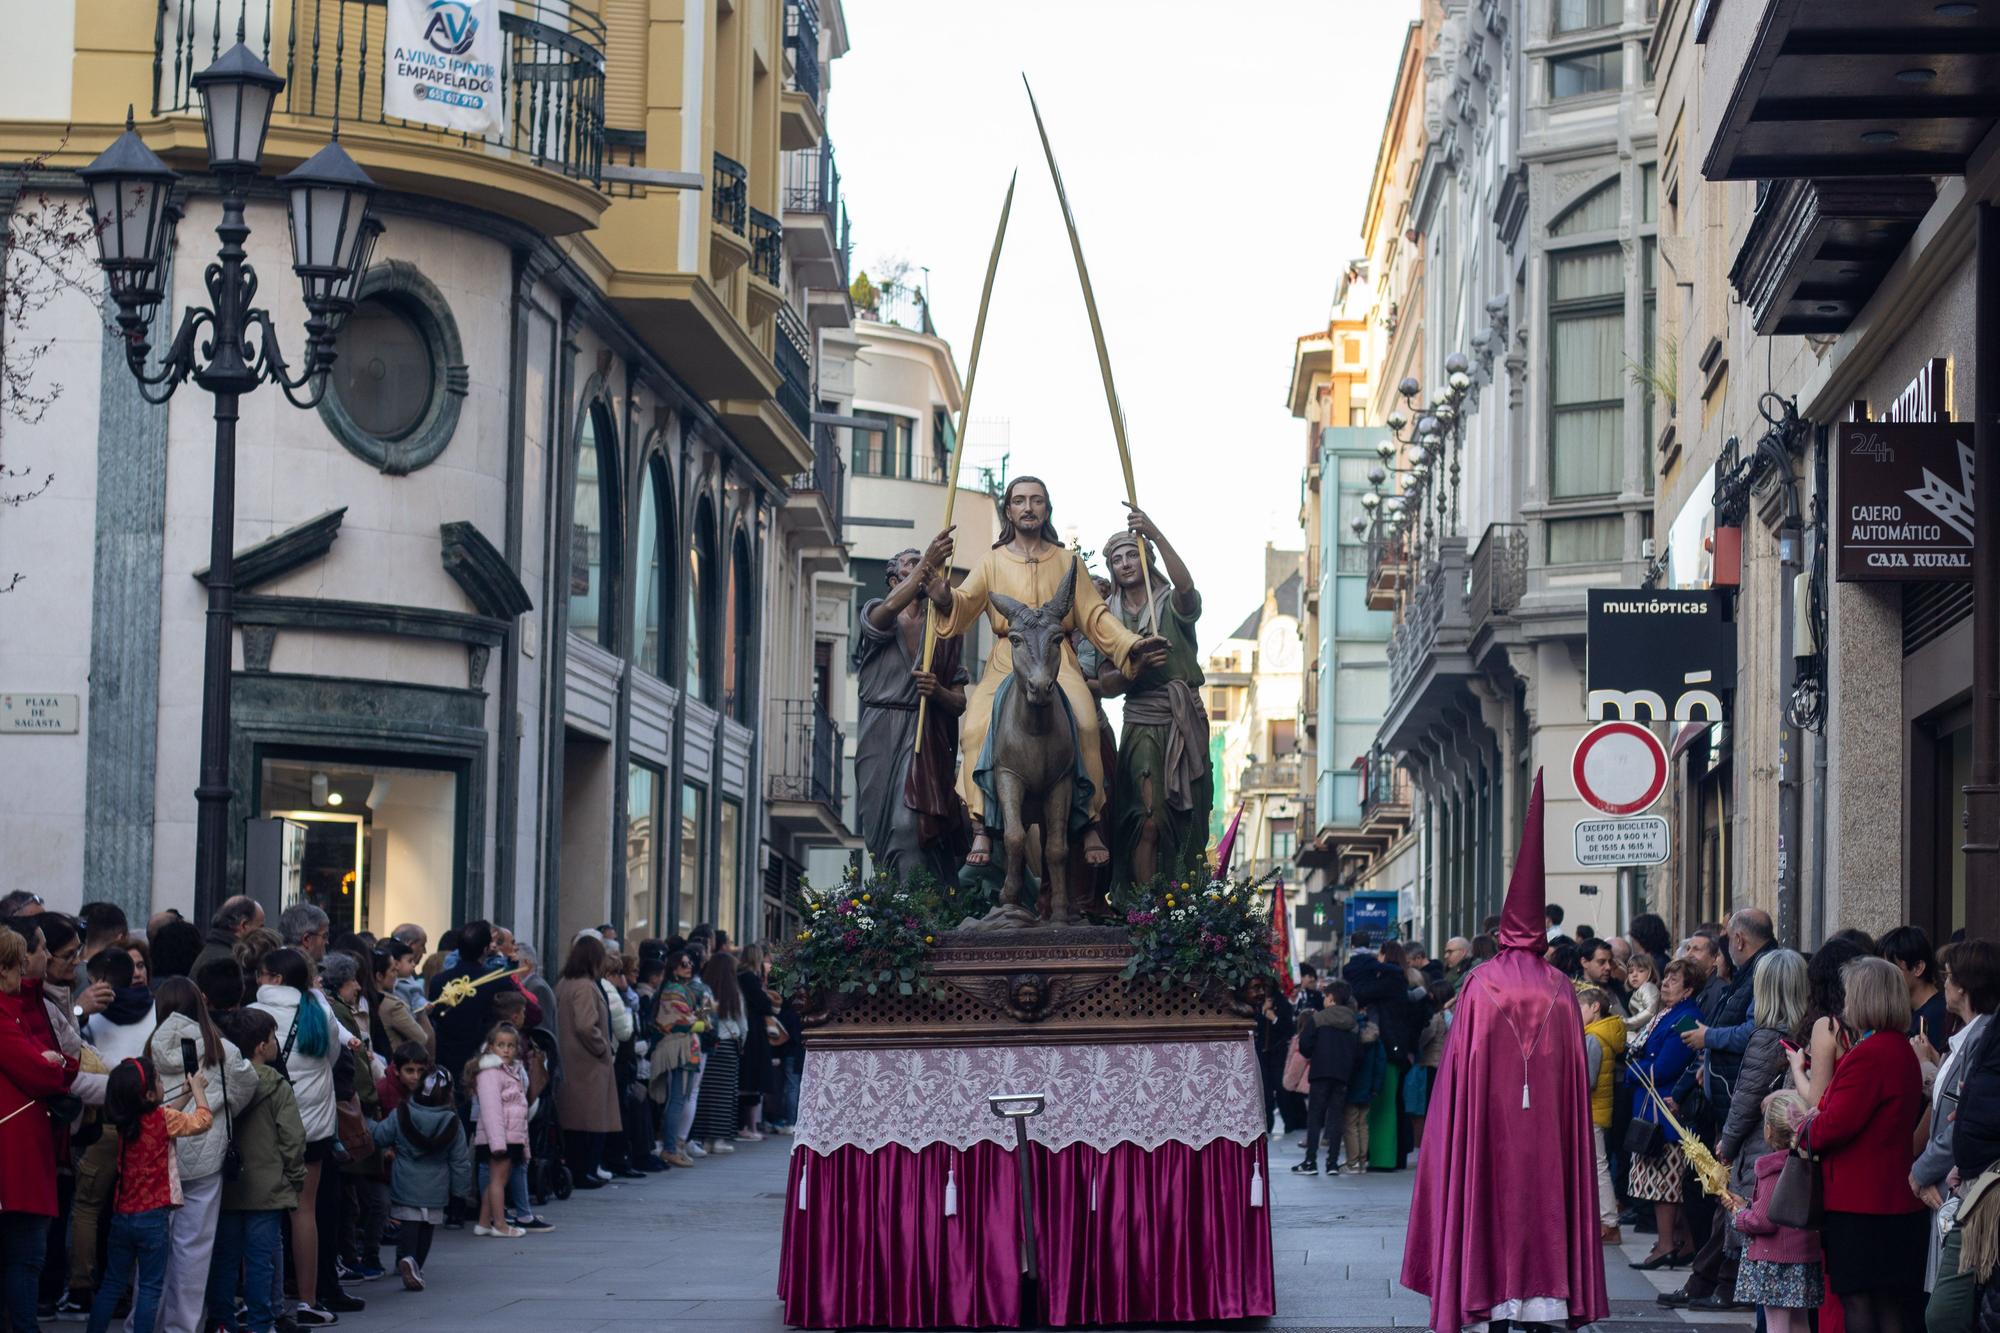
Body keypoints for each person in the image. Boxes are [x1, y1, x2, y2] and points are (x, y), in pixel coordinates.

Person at [1401, 773, 1609, 1333]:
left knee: (1487, 1193)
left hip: (1488, 1129)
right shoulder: (1563, 990)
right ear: (1539, 932)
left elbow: (1456, 1080)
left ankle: (1491, 1300)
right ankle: (1543, 1304)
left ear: (1500, 933)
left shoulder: (1477, 984)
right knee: (1543, 1198)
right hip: (1546, 1134)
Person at [922, 476, 1170, 868]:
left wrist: (1130, 645)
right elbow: (963, 605)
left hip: (1057, 659)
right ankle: (983, 824)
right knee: (975, 728)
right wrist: (943, 598)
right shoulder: (991, 562)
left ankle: (1087, 820)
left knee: (1087, 723)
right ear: (1009, 511)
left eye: (1037, 501)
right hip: (1009, 658)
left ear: (1047, 509)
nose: (1028, 507)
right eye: (1019, 501)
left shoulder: (1067, 562)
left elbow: (1094, 616)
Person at [1796, 956, 1926, 1333]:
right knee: (1887, 1303)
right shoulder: (1899, 1049)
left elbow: (1833, 1126)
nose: (1846, 1002)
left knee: (1859, 1301)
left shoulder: (1869, 1055)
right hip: (1891, 1198)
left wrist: (1804, 1128)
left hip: (1860, 1201)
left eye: (1852, 993)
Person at [1096, 514, 1211, 889]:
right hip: (1142, 716)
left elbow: (1187, 587)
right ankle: (1143, 908)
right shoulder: (1107, 614)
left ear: (1147, 559)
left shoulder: (1168, 601)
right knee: (1146, 816)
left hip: (1182, 716)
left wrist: (1156, 533)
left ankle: (1180, 903)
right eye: (1117, 559)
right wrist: (1136, 667)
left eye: (1133, 555)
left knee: (1185, 814)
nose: (1126, 564)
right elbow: (1105, 684)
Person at [852, 536, 970, 885]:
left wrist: (936, 693)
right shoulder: (879, 611)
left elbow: (960, 701)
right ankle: (891, 898)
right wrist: (926, 564)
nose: (922, 565)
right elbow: (885, 611)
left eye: (925, 562)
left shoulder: (943, 629)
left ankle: (915, 909)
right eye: (911, 562)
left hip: (922, 727)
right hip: (878, 729)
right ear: (894, 579)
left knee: (910, 825)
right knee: (878, 828)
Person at [250, 947, 358, 1327]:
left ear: (275, 979)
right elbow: (332, 1058)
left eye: (262, 974)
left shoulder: (254, 1014)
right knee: (304, 1211)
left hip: (265, 1126)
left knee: (261, 1212)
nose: (258, 980)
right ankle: (308, 1299)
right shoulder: (318, 1011)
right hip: (311, 1126)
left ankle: (260, 1298)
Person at [148, 975, 259, 1333]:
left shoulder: (146, 1048)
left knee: (152, 1253)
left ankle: (145, 1324)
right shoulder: (219, 1049)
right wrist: (219, 1106)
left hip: (158, 1160)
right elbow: (246, 1085)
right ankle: (183, 1327)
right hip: (206, 1158)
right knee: (193, 1252)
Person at [86, 1056, 214, 1333]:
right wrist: (200, 1092)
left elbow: (164, 1116)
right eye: (158, 1080)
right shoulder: (162, 1120)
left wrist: (183, 1093)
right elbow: (202, 1121)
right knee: (150, 1288)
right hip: (153, 1218)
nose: (161, 1083)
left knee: (111, 1284)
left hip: (122, 1216)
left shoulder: (126, 1120)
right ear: (147, 1094)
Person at [1714, 950, 1809, 1300]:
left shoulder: (1767, 1035)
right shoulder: (1803, 1028)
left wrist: (1726, 1142)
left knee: (1764, 1258)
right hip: (1785, 1148)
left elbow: (1746, 1098)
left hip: (1762, 1149)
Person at [1915, 940, 1998, 1333]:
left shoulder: (1983, 1038)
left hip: (1968, 1186)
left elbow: (1961, 1120)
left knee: (1950, 1311)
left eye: (1947, 977)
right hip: (1959, 1179)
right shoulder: (1971, 1035)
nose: (1943, 985)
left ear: (1963, 986)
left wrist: (1919, 1171)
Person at [0, 924, 79, 1333]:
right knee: (25, 1260)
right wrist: (56, 1064)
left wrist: (57, 1064)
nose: (45, 957)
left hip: (23, 1159)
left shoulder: (16, 1008)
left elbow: (62, 1064)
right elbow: (46, 1072)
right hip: (16, 1162)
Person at [210, 1007, 305, 1333]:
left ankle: (222, 1321)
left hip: (229, 1185)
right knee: (260, 1261)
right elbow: (292, 1136)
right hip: (268, 1187)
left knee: (225, 1260)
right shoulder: (276, 1083)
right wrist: (295, 1177)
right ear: (262, 1046)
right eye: (272, 1037)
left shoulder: (223, 1081)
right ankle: (261, 1322)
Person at [1628, 957, 1705, 1269]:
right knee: (1665, 1184)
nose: (1665, 984)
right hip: (1650, 1105)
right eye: (1666, 978)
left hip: (1667, 1111)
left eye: (1674, 981)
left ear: (1688, 989)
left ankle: (1666, 1245)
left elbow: (1665, 1066)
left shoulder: (1687, 1017)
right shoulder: (1665, 1013)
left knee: (1666, 1185)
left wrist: (1634, 1070)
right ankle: (1681, 1241)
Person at [368, 1061, 471, 1292]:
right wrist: (460, 1193)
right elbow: (460, 1161)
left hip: (405, 1182)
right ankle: (416, 1264)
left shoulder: (401, 1113)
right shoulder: (452, 1122)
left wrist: (365, 1122)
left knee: (409, 1224)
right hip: (436, 1187)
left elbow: (380, 1136)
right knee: (427, 1228)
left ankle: (406, 1259)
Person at [1730, 1090, 1824, 1333]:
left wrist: (1739, 1216)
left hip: (1775, 1260)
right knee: (1801, 1322)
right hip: (1804, 1256)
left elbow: (1763, 1221)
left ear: (1769, 1130)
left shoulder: (1772, 1169)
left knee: (1776, 1324)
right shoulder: (1808, 1163)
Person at [555, 933, 621, 1188]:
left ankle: (580, 1170)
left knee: (576, 1123)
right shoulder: (583, 985)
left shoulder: (564, 983)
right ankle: (582, 1171)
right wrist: (603, 1047)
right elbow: (585, 1025)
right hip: (586, 1063)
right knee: (587, 1121)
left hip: (572, 1060)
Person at [1292, 979, 1367, 1175]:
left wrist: (1315, 1054)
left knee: (1315, 1118)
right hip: (1342, 1075)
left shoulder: (1318, 1019)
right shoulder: (1353, 1022)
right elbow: (1359, 1054)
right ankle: (1332, 1163)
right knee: (1336, 1119)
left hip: (1320, 1073)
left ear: (1331, 998)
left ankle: (1310, 1161)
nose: (1324, 999)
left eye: (1326, 996)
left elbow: (1304, 1045)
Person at [468, 1021, 530, 1239]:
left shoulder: (508, 1071)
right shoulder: (491, 1073)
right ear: (491, 1046)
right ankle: (500, 1224)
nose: (506, 1049)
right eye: (501, 1045)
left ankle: (484, 1222)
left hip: (508, 1135)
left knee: (498, 1180)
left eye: (511, 1045)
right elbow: (491, 1109)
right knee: (498, 1181)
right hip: (499, 1138)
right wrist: (498, 1143)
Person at [1578, 986, 1628, 1243]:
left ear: (1595, 1008)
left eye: (1581, 1007)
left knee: (1598, 1166)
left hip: (1592, 1111)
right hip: (1599, 1109)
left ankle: (1608, 1222)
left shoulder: (1593, 1038)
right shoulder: (1604, 1035)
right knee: (1597, 1164)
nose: (1577, 1013)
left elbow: (1588, 1080)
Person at [692, 952, 746, 1155]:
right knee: (724, 1095)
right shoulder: (735, 993)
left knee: (706, 1093)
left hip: (709, 1044)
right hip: (728, 1046)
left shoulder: (705, 990)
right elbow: (743, 1025)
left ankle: (703, 1137)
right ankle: (719, 1139)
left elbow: (702, 1018)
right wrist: (742, 1043)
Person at [1879, 925, 1951, 1053]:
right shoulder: (1907, 1013)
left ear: (1918, 968)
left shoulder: (1938, 1014)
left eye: (1892, 970)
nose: (1885, 978)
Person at [737, 945, 777, 1143]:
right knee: (752, 1078)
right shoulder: (749, 979)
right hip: (753, 1030)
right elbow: (765, 1004)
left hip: (750, 1027)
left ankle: (749, 1126)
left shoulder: (741, 977)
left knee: (750, 1078)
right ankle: (748, 1126)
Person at [193, 897, 266, 978]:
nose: (262, 933)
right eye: (260, 927)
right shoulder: (230, 964)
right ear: (244, 925)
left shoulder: (210, 952)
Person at [1625, 953, 1662, 1037]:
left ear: (1651, 972)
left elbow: (1651, 1011)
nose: (1634, 975)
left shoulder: (1648, 987)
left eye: (1641, 971)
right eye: (1630, 972)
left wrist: (1627, 1023)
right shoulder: (1637, 991)